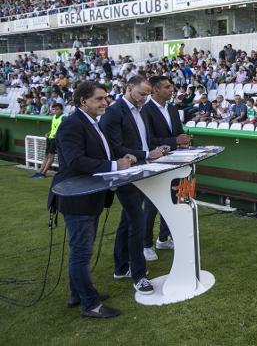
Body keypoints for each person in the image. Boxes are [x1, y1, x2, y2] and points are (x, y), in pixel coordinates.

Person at [48, 81, 134, 318]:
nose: (105, 102)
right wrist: (115, 165)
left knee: (80, 250)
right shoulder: (71, 125)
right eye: (99, 98)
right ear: (83, 101)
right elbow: (76, 161)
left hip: (90, 196)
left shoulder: (92, 123)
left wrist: (121, 158)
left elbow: (101, 153)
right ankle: (90, 304)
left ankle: (77, 294)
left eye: (106, 98)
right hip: (77, 198)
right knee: (81, 253)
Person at [99, 75, 169, 296]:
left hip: (141, 171)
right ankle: (139, 275)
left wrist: (159, 149)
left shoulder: (141, 109)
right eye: (142, 94)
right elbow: (116, 148)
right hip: (126, 174)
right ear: (129, 88)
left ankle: (121, 268)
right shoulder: (113, 112)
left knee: (127, 221)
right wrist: (148, 154)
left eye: (147, 94)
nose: (145, 98)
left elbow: (145, 141)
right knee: (136, 222)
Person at [141, 76, 192, 261]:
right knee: (152, 206)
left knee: (172, 201)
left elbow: (177, 132)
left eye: (171, 86)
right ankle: (146, 244)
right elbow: (148, 141)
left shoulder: (171, 108)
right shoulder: (145, 110)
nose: (172, 90)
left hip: (175, 162)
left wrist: (183, 140)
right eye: (167, 87)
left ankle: (163, 238)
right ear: (155, 90)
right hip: (155, 164)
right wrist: (175, 141)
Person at [32, 103, 65, 178]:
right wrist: (48, 133)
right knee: (46, 155)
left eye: (57, 109)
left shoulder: (63, 117)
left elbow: (64, 129)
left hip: (55, 139)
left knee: (50, 156)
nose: (55, 111)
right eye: (53, 109)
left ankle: (43, 173)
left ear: (61, 110)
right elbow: (53, 128)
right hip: (50, 138)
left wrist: (57, 135)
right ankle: (39, 172)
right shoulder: (53, 117)